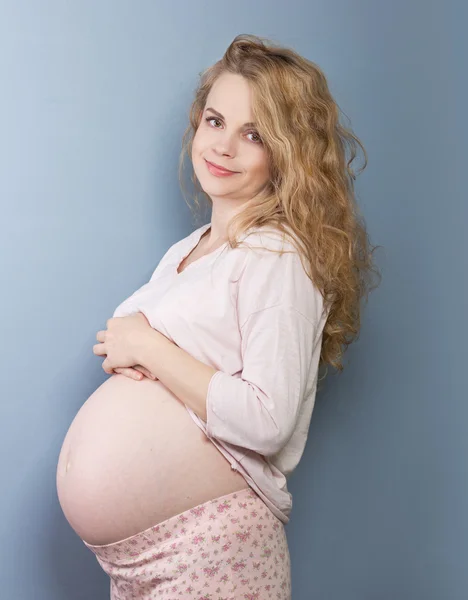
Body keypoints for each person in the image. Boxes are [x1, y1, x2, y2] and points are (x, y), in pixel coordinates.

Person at [57, 33, 380, 599]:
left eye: (253, 135)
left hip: (209, 551)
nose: (223, 146)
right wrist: (130, 351)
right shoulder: (190, 249)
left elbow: (266, 418)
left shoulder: (279, 257)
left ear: (289, 153)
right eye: (214, 121)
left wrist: (151, 351)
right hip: (142, 561)